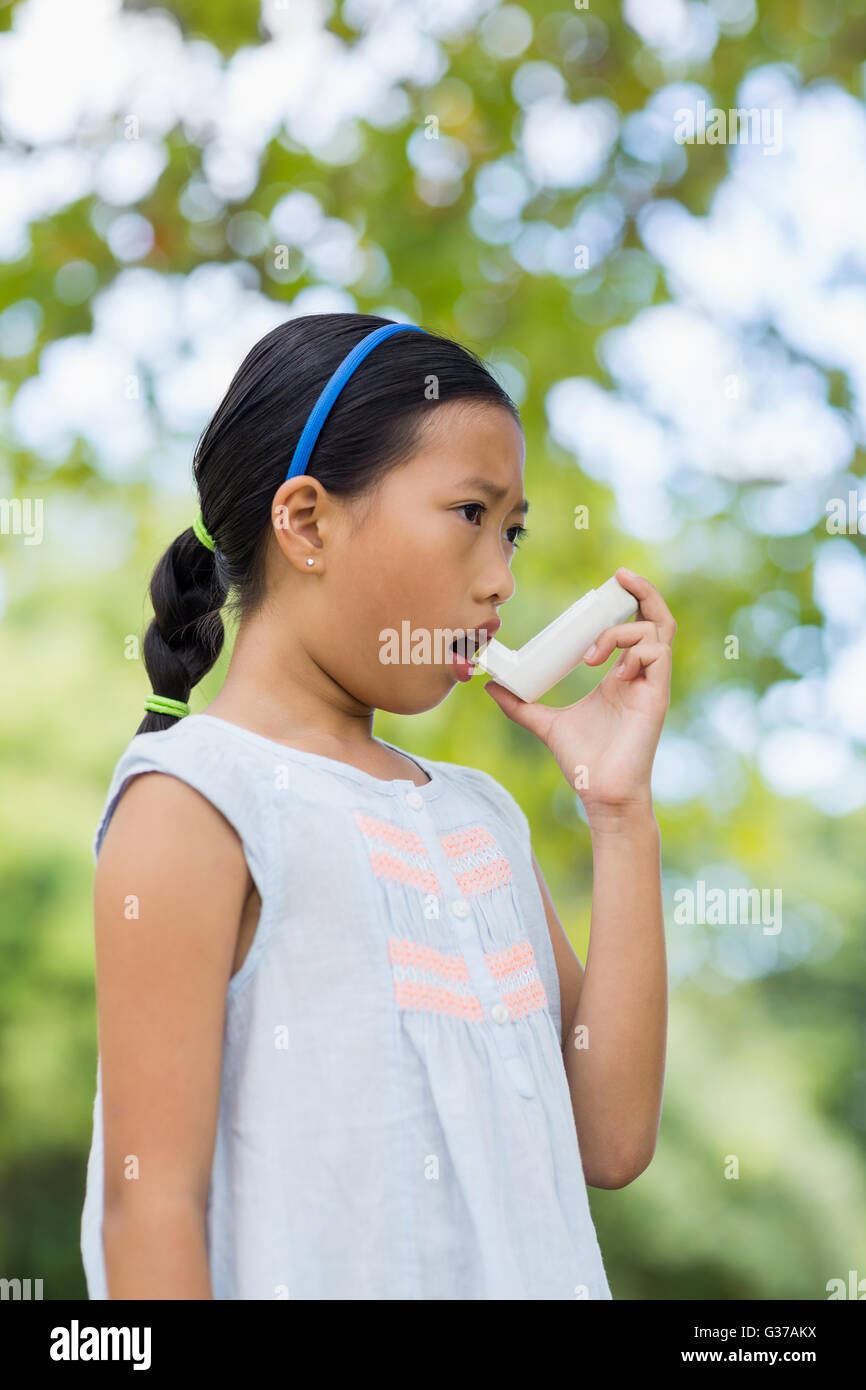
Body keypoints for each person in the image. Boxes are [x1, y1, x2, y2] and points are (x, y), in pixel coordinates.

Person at [79, 312, 674, 1300]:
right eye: (470, 515)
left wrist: (618, 811)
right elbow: (151, 1209)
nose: (502, 579)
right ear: (306, 522)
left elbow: (608, 1140)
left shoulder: (479, 819)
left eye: (513, 530)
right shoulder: (195, 801)